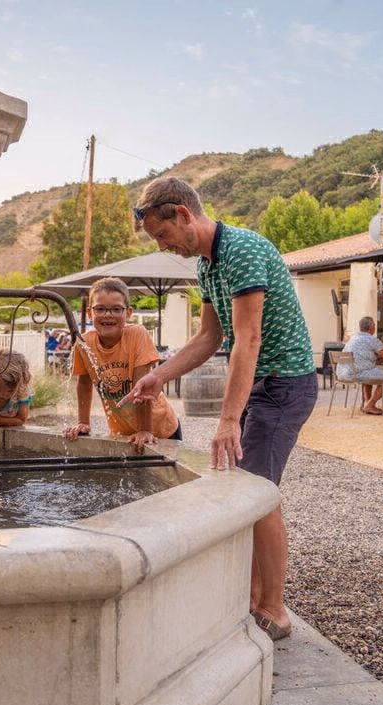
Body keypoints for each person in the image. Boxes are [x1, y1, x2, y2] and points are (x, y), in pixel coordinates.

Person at [122, 177, 317, 642]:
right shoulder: (209, 266)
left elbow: (248, 339)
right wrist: (159, 376)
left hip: (283, 386)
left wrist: (228, 420)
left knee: (258, 494)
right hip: (260, 388)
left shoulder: (243, 251)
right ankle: (251, 597)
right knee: (246, 490)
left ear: (184, 216)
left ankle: (275, 611)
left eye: (162, 235)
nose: (164, 246)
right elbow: (210, 337)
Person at [63, 277, 180, 451]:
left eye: (116, 309)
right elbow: (84, 383)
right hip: (122, 431)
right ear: (90, 313)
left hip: (160, 428)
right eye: (100, 309)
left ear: (128, 313)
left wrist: (145, 430)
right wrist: (83, 423)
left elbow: (143, 388)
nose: (108, 315)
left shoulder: (136, 335)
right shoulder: (84, 342)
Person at [337, 316, 383, 415]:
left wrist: (376, 358)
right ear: (371, 327)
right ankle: (370, 405)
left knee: (369, 371)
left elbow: (362, 356)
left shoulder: (352, 339)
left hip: (342, 373)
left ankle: (367, 403)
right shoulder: (372, 339)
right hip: (357, 373)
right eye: (374, 326)